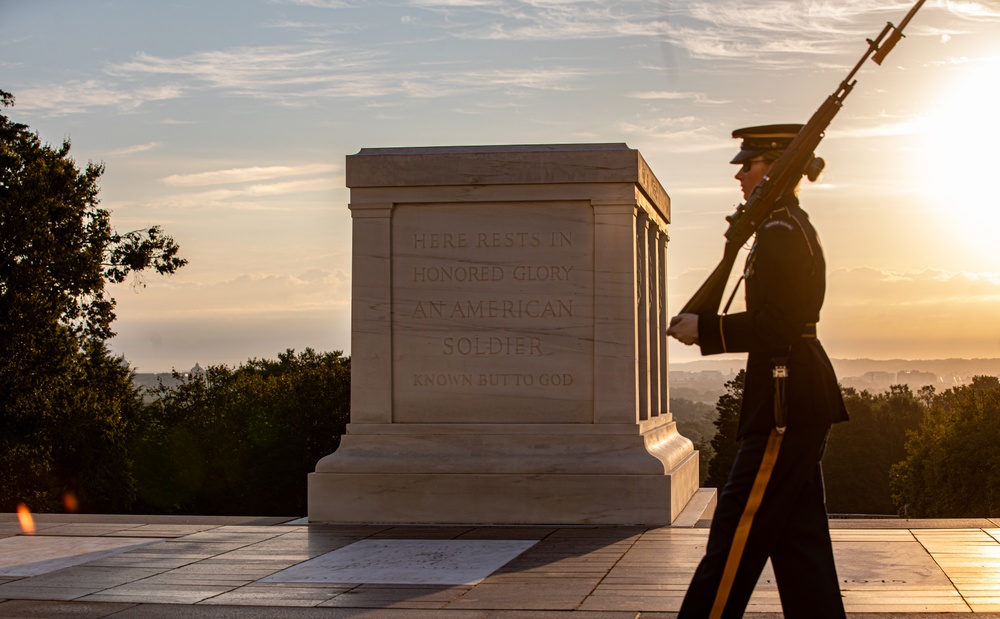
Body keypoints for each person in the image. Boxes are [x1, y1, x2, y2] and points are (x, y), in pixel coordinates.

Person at [667, 124, 850, 618]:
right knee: (799, 544)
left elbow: (781, 324)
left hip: (783, 401)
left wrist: (707, 330)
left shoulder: (779, 232)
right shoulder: (786, 226)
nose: (741, 176)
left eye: (748, 165)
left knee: (735, 540)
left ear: (775, 168)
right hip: (791, 392)